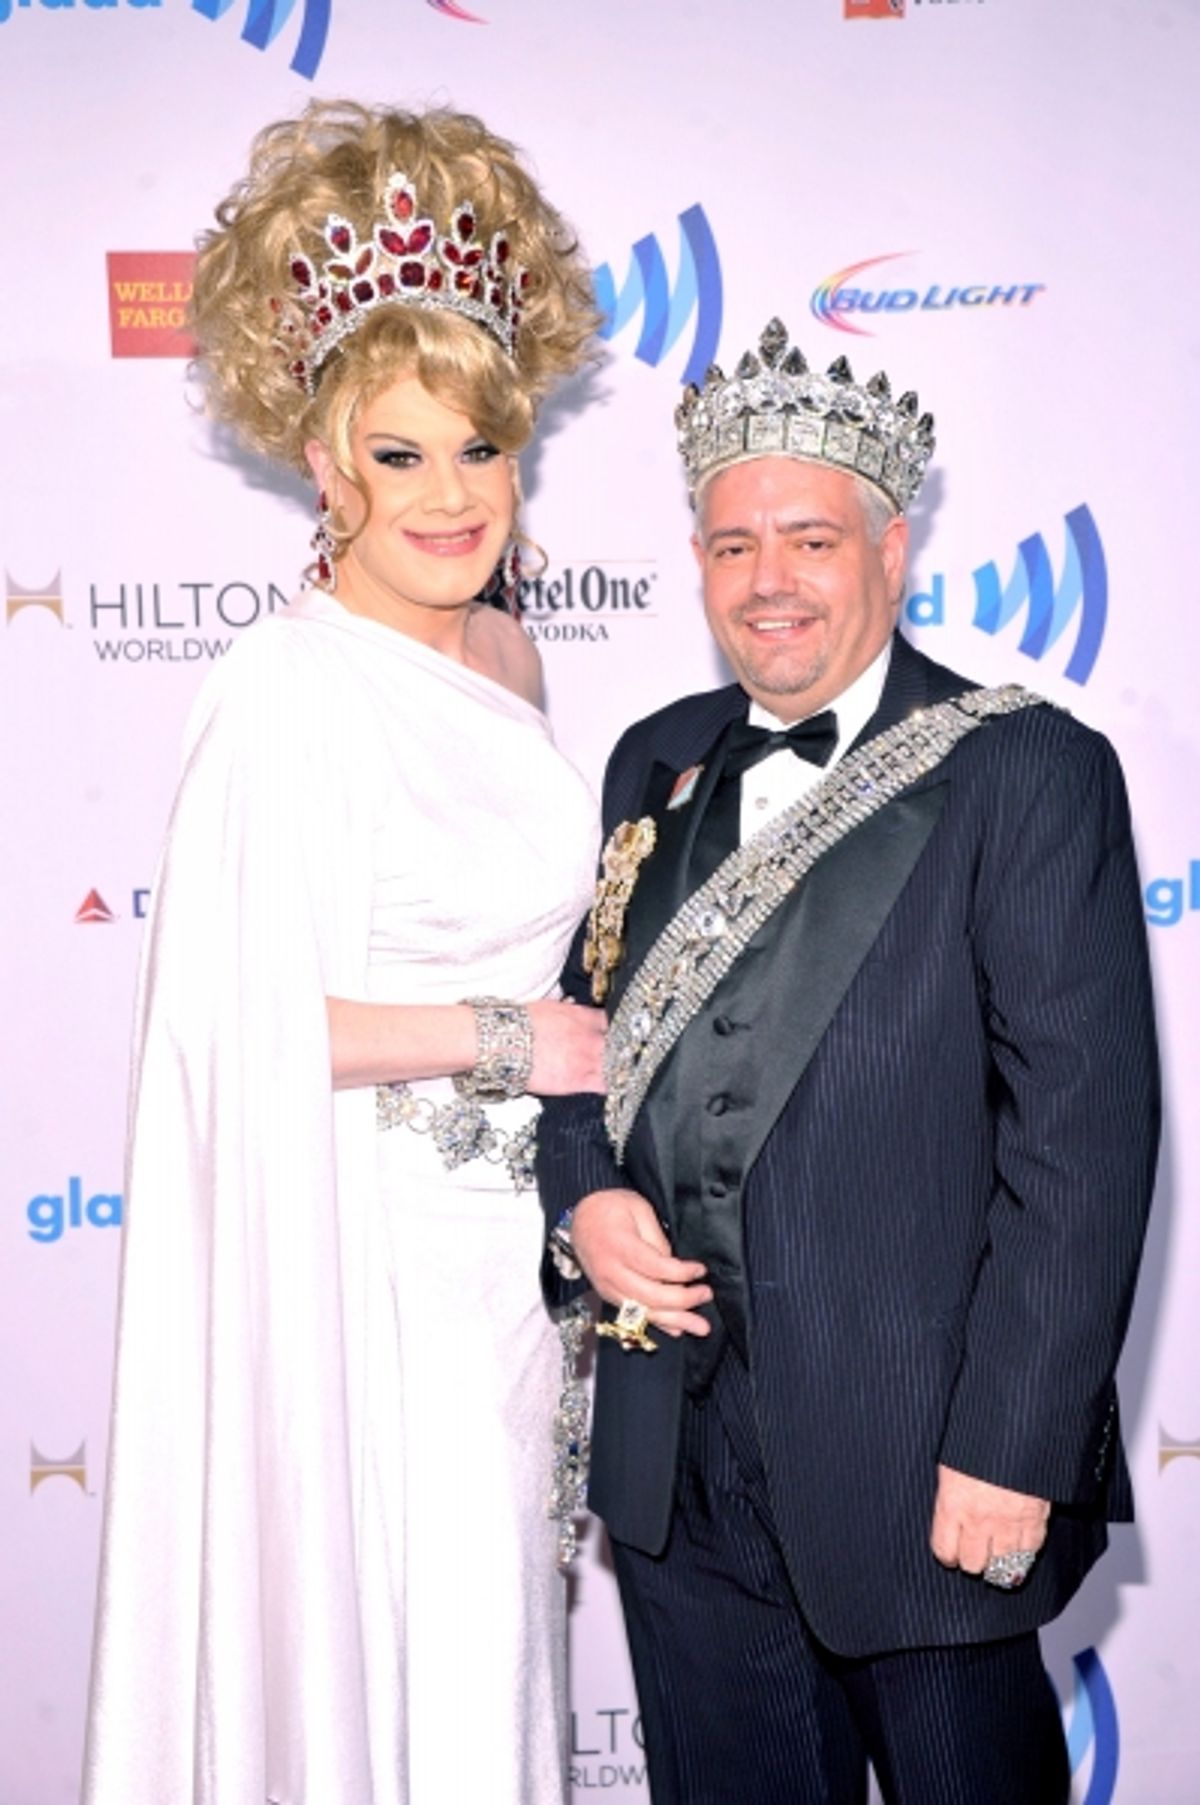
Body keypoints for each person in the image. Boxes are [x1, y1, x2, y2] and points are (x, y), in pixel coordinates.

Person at [536, 318, 1159, 1805]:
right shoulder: (654, 759)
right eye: (734, 544)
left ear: (890, 552)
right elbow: (581, 1034)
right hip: (679, 1466)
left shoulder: (1027, 769)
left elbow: (1082, 1145)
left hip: (927, 1462)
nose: (770, 580)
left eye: (811, 541)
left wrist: (1014, 1450)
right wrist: (584, 1196)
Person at [83, 101, 605, 1805]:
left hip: (513, 1268)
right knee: (410, 1660)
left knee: (494, 1668)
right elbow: (236, 1025)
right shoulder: (283, 687)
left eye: (481, 449)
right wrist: (511, 1035)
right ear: (324, 463)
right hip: (365, 1267)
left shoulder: (513, 662)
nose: (451, 496)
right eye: (401, 453)